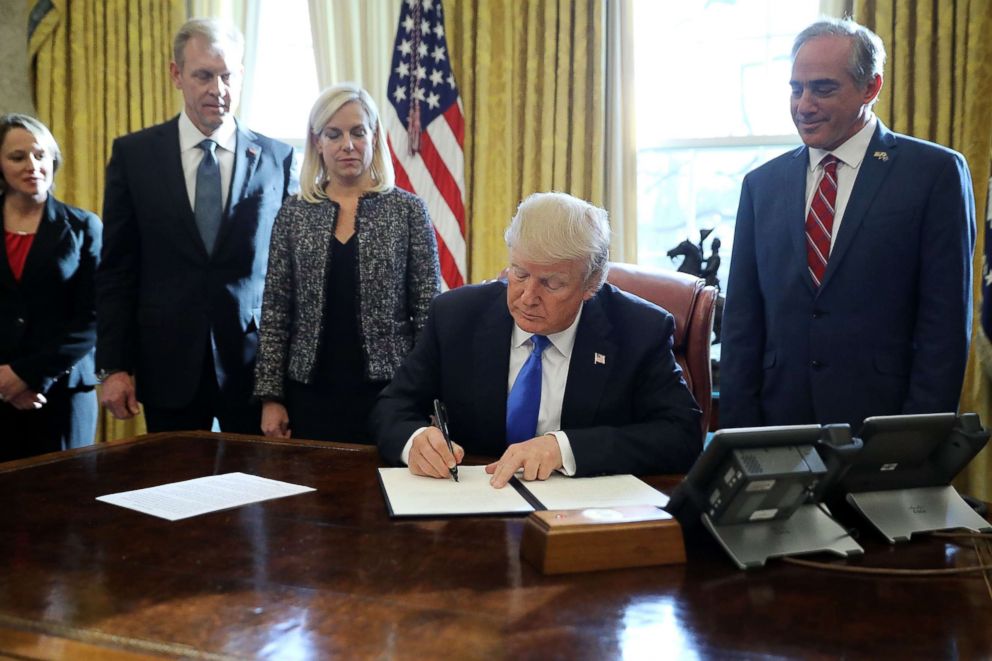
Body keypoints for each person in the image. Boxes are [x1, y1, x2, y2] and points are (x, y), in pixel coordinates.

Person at [720, 18, 975, 432]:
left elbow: (944, 328)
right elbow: (742, 327)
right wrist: (742, 434)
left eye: (823, 88)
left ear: (871, 88)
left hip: (883, 425)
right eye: (796, 88)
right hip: (780, 427)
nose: (804, 105)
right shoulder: (761, 185)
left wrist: (913, 441)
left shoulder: (934, 173)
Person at [372, 191, 701, 486]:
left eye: (552, 283)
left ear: (592, 283)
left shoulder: (640, 330)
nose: (527, 296)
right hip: (473, 505)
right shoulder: (456, 316)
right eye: (520, 273)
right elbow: (393, 406)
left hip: (582, 520)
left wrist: (564, 448)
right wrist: (415, 440)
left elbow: (681, 435)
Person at [96, 18, 298, 433]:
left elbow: (289, 277)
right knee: (172, 491)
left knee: (256, 494)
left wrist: (281, 380)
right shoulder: (134, 156)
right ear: (176, 74)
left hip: (252, 368)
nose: (217, 90)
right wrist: (114, 366)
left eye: (227, 76)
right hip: (165, 363)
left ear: (240, 75)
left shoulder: (278, 158)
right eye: (203, 75)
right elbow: (117, 269)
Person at [253, 84, 441, 442]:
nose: (348, 145)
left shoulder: (408, 211)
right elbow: (276, 311)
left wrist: (428, 396)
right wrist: (271, 397)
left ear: (374, 137)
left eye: (358, 132)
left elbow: (428, 313)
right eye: (334, 134)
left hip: (390, 393)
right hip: (309, 391)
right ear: (318, 142)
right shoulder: (293, 212)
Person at [0, 114, 101, 460]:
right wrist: (5, 382)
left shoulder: (84, 225)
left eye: (40, 155)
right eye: (17, 157)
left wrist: (27, 376)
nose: (33, 165)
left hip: (62, 394)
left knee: (65, 508)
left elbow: (93, 316)